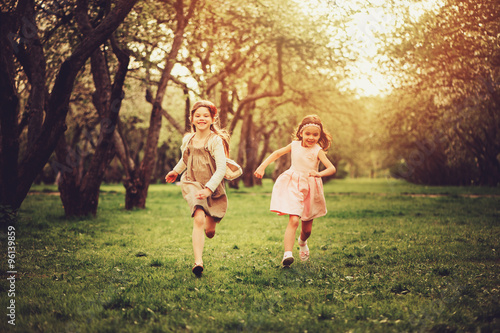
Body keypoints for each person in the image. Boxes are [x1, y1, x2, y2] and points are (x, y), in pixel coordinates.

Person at [254, 115, 336, 267]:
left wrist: (319, 173)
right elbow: (276, 153)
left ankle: (302, 242)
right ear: (301, 133)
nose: (311, 137)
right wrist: (262, 166)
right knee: (293, 220)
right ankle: (287, 254)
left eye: (315, 134)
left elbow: (332, 168)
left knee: (307, 230)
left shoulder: (318, 150)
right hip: (293, 184)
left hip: (310, 187)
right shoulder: (294, 145)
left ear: (320, 136)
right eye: (308, 134)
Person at [165, 100, 231, 277]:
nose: (201, 118)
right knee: (198, 218)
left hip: (212, 185)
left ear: (212, 119)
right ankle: (198, 262)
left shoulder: (215, 140)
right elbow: (185, 159)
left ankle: (212, 224)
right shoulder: (188, 139)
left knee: (209, 231)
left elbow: (221, 169)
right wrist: (175, 171)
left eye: (206, 116)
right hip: (192, 182)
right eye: (198, 115)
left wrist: (209, 189)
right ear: (192, 119)